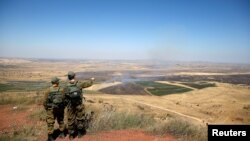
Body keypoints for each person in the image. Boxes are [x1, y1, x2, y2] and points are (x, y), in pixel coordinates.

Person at [64, 71, 94, 140]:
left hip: (70, 106)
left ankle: (71, 135)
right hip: (79, 105)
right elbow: (88, 84)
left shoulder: (66, 87)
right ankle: (80, 133)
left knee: (70, 120)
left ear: (68, 77)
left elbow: (64, 97)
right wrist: (92, 80)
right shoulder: (79, 84)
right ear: (74, 76)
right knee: (80, 118)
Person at [43, 77, 65, 141]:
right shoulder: (62, 89)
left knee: (50, 122)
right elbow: (64, 100)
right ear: (57, 82)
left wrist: (47, 109)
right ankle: (62, 133)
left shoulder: (48, 90)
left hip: (51, 109)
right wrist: (62, 107)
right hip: (60, 109)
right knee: (61, 120)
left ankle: (50, 137)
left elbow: (45, 102)